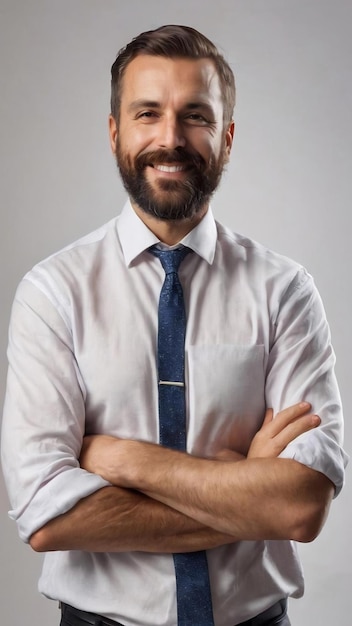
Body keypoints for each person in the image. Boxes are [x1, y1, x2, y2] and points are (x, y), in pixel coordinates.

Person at [1, 24, 347, 626]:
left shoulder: (284, 292)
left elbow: (298, 506)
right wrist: (244, 489)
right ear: (114, 133)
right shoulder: (52, 294)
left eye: (196, 116)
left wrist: (123, 460)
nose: (170, 138)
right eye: (147, 113)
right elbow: (46, 514)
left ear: (228, 138)